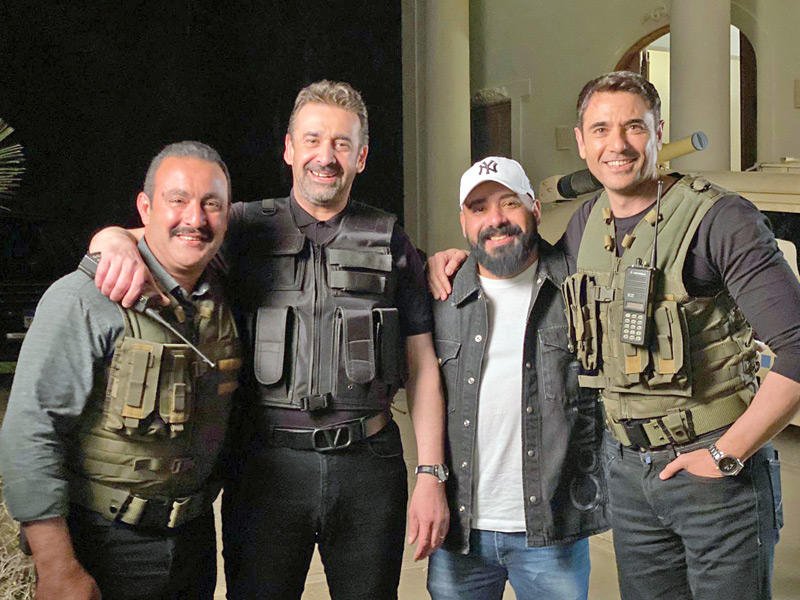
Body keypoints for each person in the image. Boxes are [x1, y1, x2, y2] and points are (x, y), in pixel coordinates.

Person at [427, 71, 800, 600]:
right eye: (601, 129)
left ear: (658, 132)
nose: (617, 144)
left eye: (634, 127)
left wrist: (725, 455)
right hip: (629, 479)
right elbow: (518, 260)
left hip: (714, 473)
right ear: (582, 142)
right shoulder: (587, 226)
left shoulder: (720, 219)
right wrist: (452, 262)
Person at [88, 80, 449, 599]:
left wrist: (431, 473)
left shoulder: (390, 238)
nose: (325, 156)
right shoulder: (239, 227)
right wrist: (114, 240)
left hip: (368, 470)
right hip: (264, 469)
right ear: (289, 148)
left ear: (361, 157)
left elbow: (422, 365)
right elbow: (153, 239)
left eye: (341, 143)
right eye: (312, 140)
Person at [0, 141, 241, 600]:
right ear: (145, 208)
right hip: (102, 542)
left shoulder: (224, 293)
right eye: (177, 199)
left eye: (211, 204)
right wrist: (56, 566)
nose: (195, 218)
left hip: (192, 541)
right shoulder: (84, 298)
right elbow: (30, 432)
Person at [426, 156, 607, 600]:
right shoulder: (440, 296)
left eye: (509, 203)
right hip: (460, 531)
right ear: (464, 223)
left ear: (535, 210)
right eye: (479, 208)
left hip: (553, 531)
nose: (496, 219)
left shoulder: (578, 285)